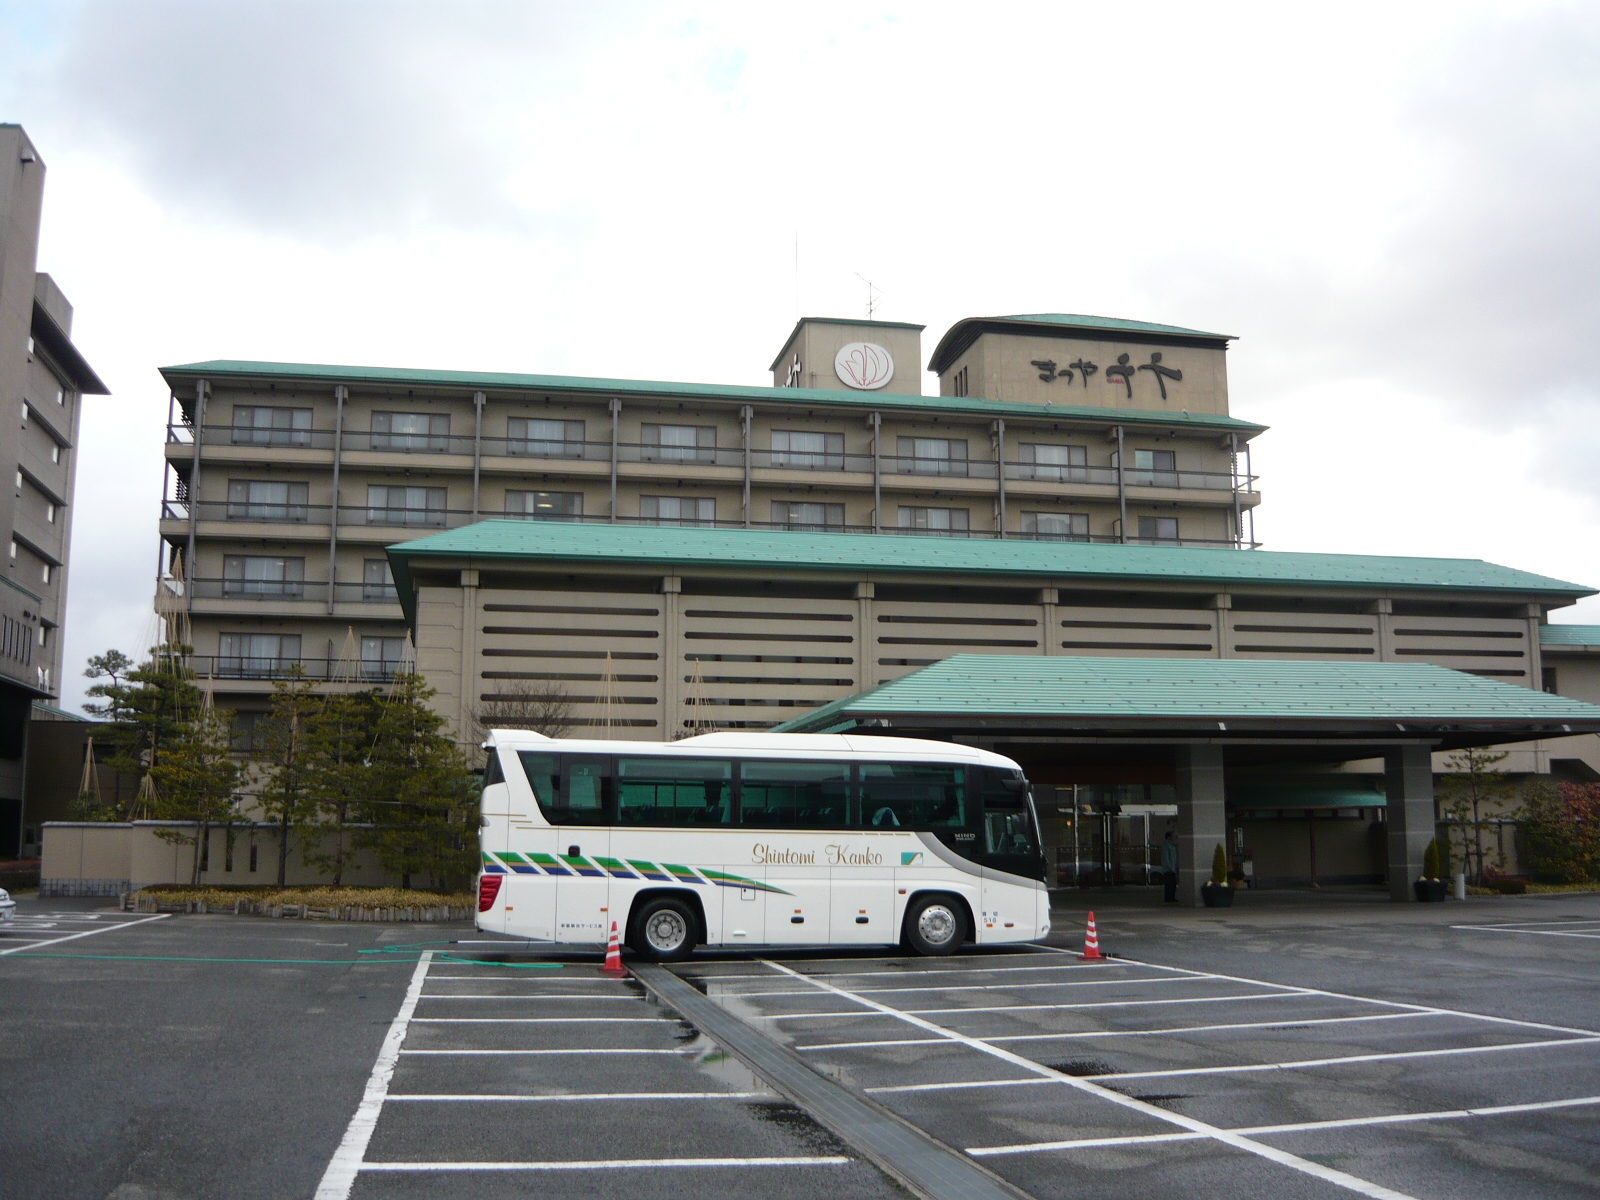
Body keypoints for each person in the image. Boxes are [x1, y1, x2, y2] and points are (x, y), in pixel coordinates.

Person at [1161, 830, 1179, 903]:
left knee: (1173, 884)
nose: (1173, 837)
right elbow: (1165, 856)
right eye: (1172, 835)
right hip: (1168, 869)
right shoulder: (1166, 845)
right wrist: (1168, 866)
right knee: (1169, 884)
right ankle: (1168, 898)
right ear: (1168, 837)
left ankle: (1172, 897)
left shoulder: (1171, 845)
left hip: (1172, 868)